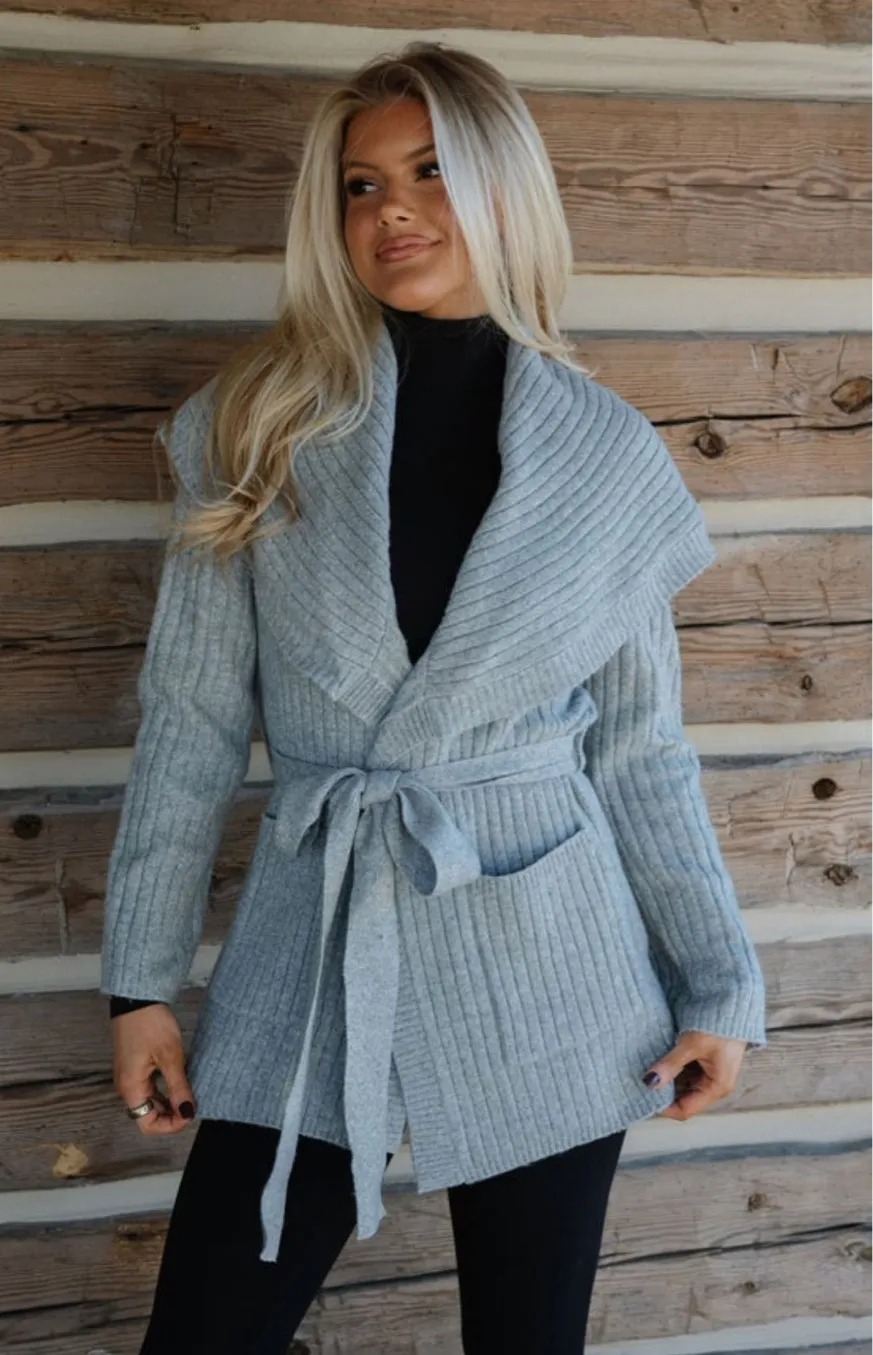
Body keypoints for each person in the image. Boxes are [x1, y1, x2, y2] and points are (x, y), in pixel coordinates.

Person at [101, 40, 767, 1355]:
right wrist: (141, 983)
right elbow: (186, 725)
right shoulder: (258, 427)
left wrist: (719, 982)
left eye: (430, 173)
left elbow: (641, 750)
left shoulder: (604, 456)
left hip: (552, 959)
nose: (391, 210)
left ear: (507, 188)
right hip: (313, 933)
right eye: (361, 184)